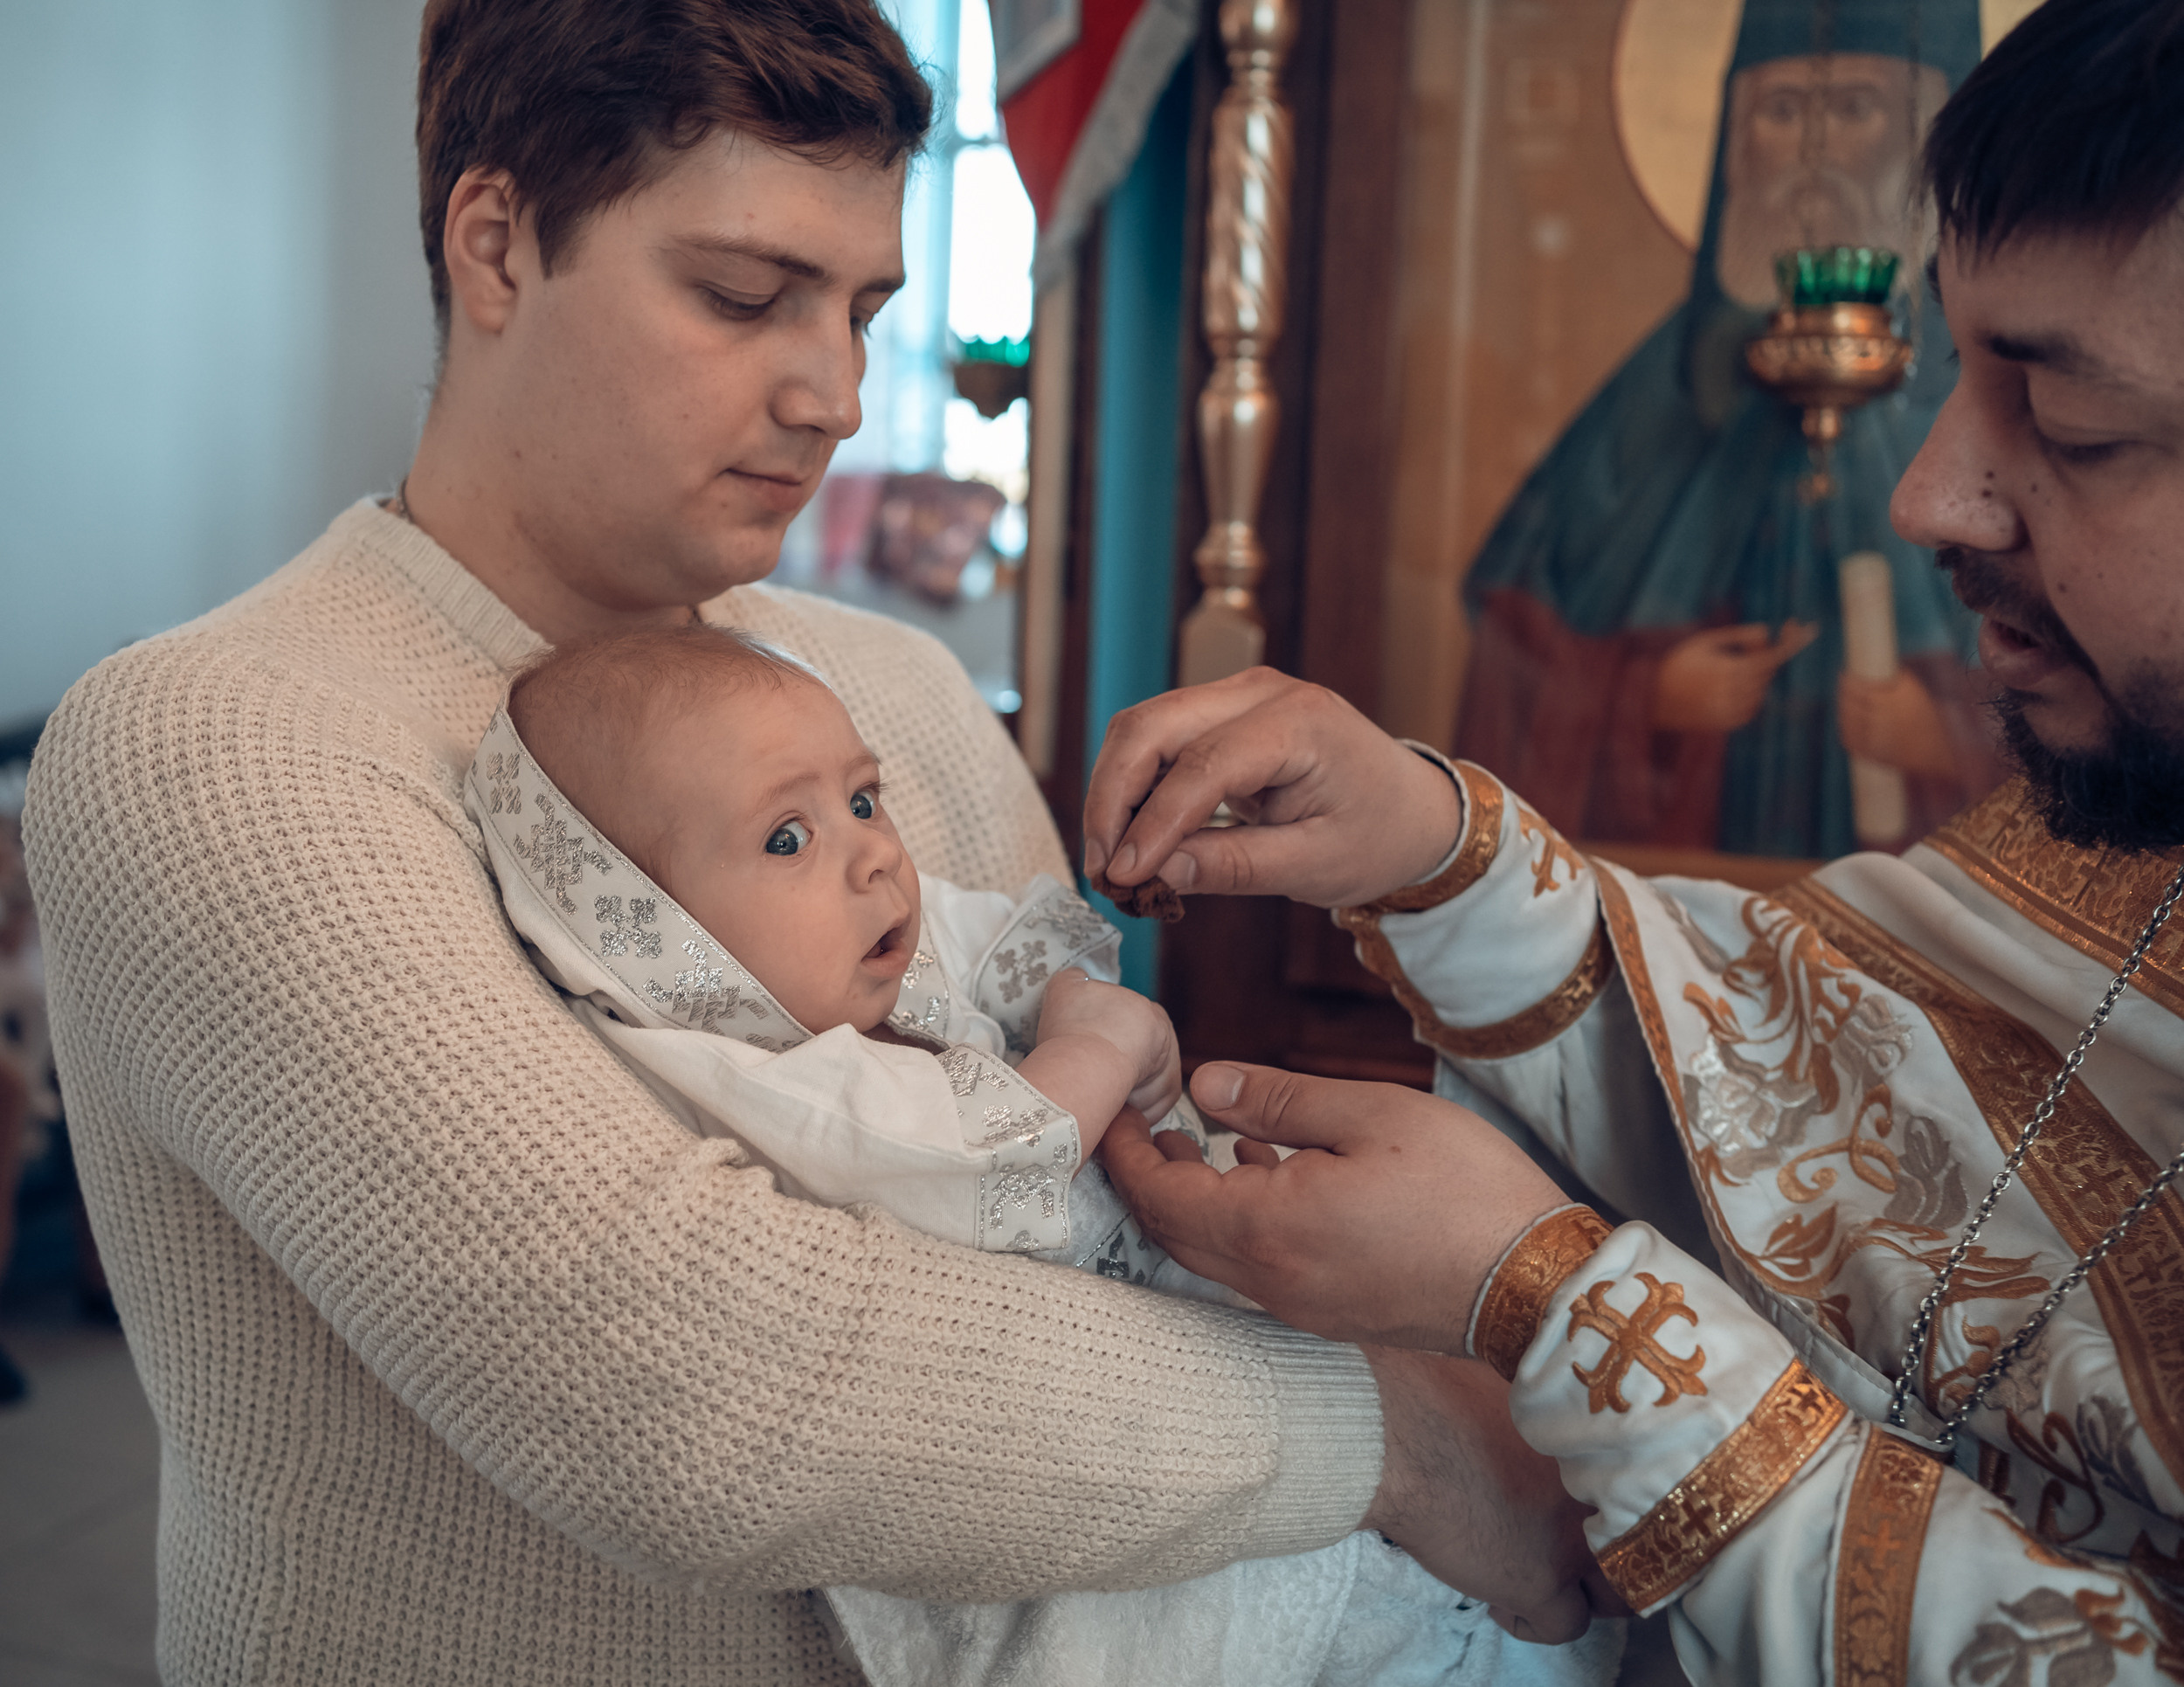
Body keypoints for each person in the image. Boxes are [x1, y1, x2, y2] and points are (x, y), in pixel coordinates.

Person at [18, 2, 1601, 1680]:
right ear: (493, 246)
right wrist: (1398, 1443)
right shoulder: (218, 744)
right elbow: (691, 1384)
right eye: (743, 297)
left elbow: (1073, 1230)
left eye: (863, 311)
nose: (836, 393)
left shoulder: (898, 696)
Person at [1090, 0, 2184, 1677]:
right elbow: (1816, 1066)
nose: (1936, 494)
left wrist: (1551, 1305)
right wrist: (1427, 843)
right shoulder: (2122, 847)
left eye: (2076, 428)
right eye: (1961, 375)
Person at [478, 623, 1614, 1687]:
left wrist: (1074, 993)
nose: (875, 856)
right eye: (788, 836)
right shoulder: (778, 1078)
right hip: (1081, 1514)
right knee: (1308, 1618)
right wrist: (1101, 1040)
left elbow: (1016, 933)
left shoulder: (875, 953)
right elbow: (982, 1160)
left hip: (1205, 1339)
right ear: (653, 934)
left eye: (864, 797)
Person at [1455, 0, 2002, 859]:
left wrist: (1944, 743)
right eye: (1780, 112)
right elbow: (1514, 658)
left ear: (1930, 135)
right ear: (1730, 140)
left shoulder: (2001, 393)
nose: (1807, 149)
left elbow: (2110, 710)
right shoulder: (1654, 394)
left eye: (1854, 107)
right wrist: (1649, 697)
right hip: (1671, 904)